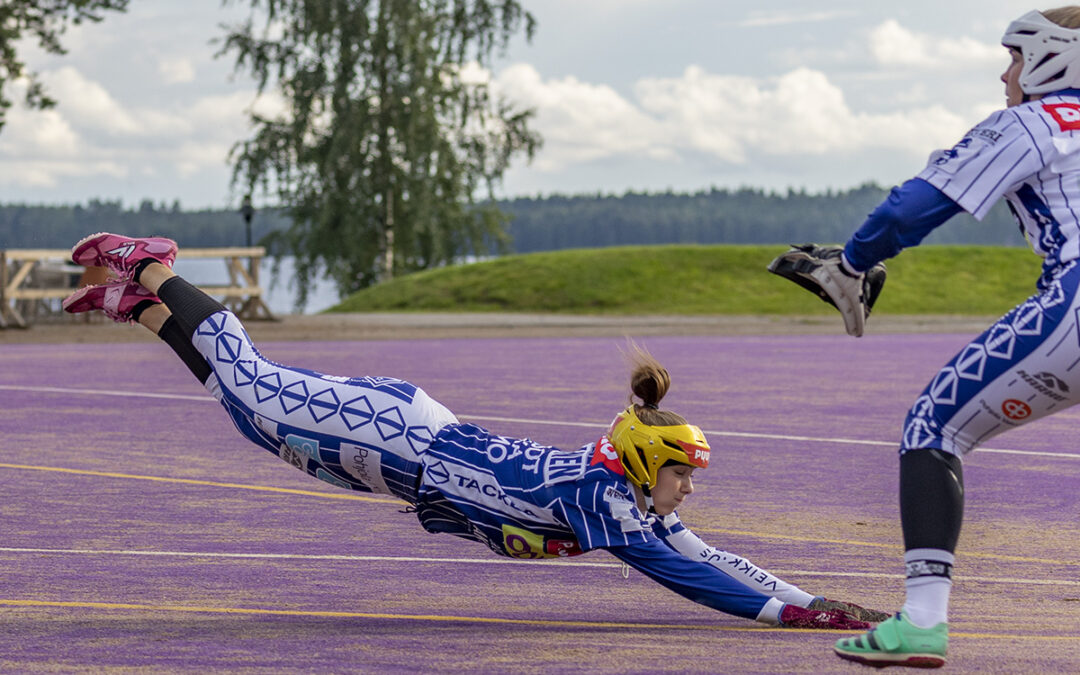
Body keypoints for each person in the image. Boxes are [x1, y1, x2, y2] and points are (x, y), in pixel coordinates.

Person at [62, 232, 886, 631]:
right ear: (646, 463)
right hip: (399, 436)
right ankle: (151, 263)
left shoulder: (629, 496)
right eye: (683, 474)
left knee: (252, 422)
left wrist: (807, 599)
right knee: (253, 382)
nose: (690, 488)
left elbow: (705, 551)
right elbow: (682, 572)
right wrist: (780, 619)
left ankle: (139, 309)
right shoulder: (605, 496)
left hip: (400, 468)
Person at [784, 7, 1080, 668]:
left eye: (1017, 58)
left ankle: (922, 618)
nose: (1006, 73)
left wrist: (852, 262)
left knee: (933, 426)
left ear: (1056, 58)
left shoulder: (1035, 123)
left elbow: (911, 208)